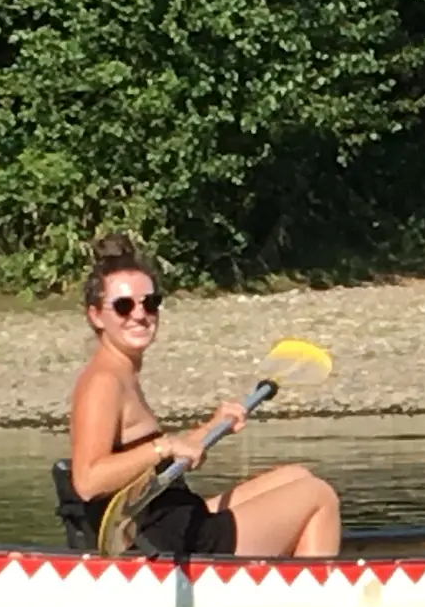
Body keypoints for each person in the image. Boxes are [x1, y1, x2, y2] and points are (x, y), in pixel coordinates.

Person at [67, 234, 343, 557]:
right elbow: (87, 480)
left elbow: (150, 462)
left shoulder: (121, 372)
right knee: (318, 496)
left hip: (174, 519)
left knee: (297, 477)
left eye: (150, 303)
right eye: (124, 306)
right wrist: (164, 445)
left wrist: (210, 427)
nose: (140, 315)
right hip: (165, 540)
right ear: (96, 315)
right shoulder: (103, 381)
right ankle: (311, 604)